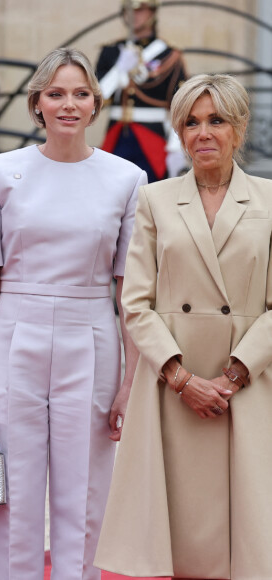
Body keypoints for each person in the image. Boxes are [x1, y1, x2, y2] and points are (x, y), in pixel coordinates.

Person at [0, 47, 146, 580]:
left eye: (81, 94)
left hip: (91, 334)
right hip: (13, 331)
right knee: (12, 489)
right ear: (36, 103)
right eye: (57, 93)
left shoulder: (128, 178)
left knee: (86, 489)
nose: (69, 104)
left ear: (96, 104)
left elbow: (129, 289)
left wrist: (131, 380)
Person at [94, 74, 272, 579]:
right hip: (172, 387)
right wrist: (183, 379)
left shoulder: (270, 200)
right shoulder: (155, 199)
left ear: (238, 128)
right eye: (191, 123)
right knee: (180, 533)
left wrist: (234, 374)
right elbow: (135, 301)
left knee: (249, 533)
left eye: (216, 120)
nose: (203, 133)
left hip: (250, 387)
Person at [96, 0, 187, 181]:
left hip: (152, 137)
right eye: (128, 10)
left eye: (140, 10)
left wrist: (176, 147)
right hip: (116, 135)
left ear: (152, 12)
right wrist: (119, 70)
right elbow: (95, 99)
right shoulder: (111, 51)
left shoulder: (168, 54)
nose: (133, 15)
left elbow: (181, 106)